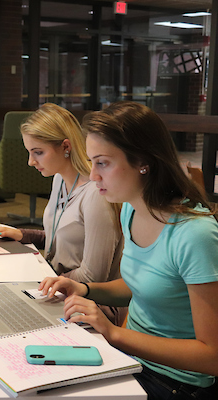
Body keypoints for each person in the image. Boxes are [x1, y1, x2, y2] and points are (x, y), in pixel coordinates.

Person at [39, 101, 218, 399]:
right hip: (129, 359)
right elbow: (142, 286)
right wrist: (83, 289)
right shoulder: (130, 210)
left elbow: (210, 356)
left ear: (143, 162)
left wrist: (114, 333)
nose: (93, 175)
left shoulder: (194, 235)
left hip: (175, 383)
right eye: (91, 161)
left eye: (103, 163)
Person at [0, 103, 123, 288]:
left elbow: (93, 276)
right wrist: (23, 234)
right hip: (57, 284)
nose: (31, 162)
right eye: (29, 153)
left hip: (88, 302)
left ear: (65, 146)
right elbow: (65, 239)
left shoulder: (96, 194)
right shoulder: (59, 179)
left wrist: (40, 280)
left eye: (38, 152)